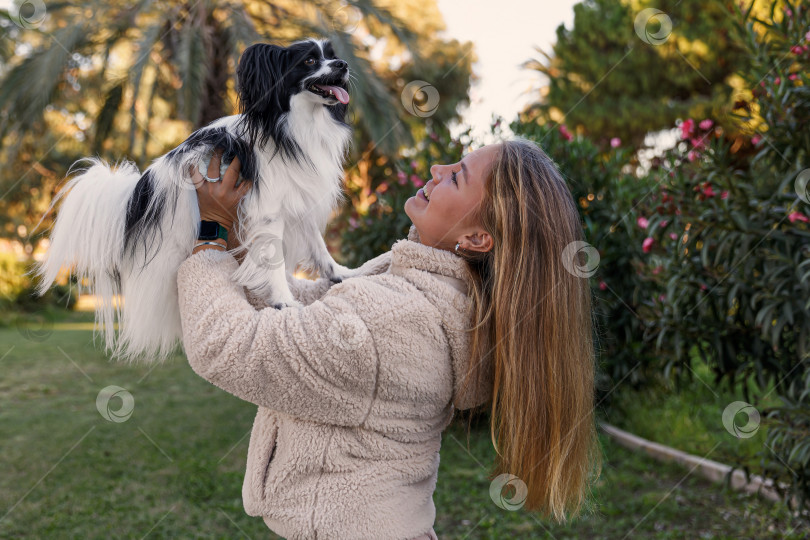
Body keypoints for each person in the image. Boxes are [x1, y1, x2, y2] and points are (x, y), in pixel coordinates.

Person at [178, 137, 601, 539]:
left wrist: (211, 234)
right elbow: (309, 309)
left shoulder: (397, 318)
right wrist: (235, 245)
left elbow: (228, 345)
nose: (438, 168)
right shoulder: (435, 296)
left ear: (476, 239)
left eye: (456, 176)